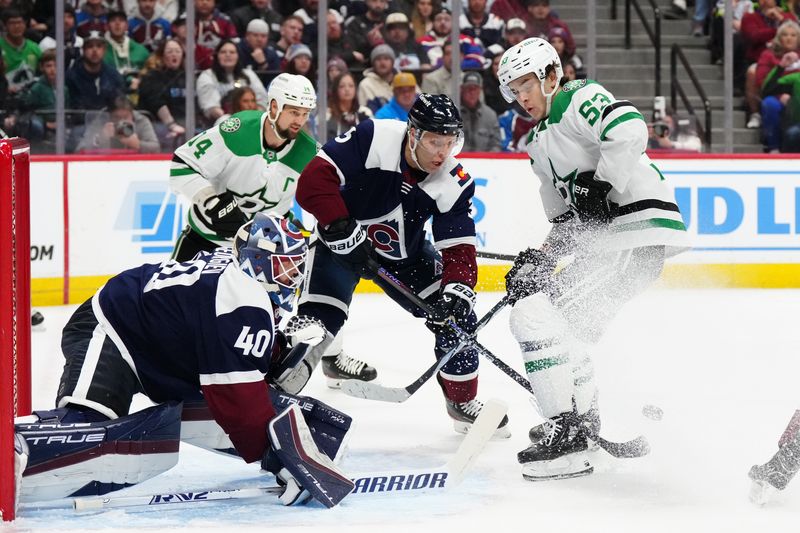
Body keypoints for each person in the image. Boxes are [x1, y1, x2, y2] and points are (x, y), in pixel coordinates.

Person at [14, 214, 354, 508]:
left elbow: (226, 354)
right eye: (283, 264)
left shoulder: (243, 282)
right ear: (257, 261)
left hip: (157, 350)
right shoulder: (243, 299)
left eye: (296, 264)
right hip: (109, 326)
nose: (292, 275)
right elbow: (237, 398)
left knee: (159, 429)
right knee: (88, 426)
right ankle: (14, 449)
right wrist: (275, 456)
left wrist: (276, 351)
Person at [496, 38, 689, 480]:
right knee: (559, 326)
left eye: (526, 83)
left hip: (634, 237)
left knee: (536, 317)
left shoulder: (575, 97)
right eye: (513, 89)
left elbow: (628, 128)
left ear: (550, 75)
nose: (521, 96)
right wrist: (542, 260)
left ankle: (569, 433)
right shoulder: (538, 145)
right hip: (613, 243)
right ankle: (579, 422)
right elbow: (572, 219)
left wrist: (599, 185)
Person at [287, 94, 510, 436]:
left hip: (406, 259)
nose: (443, 152)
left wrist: (457, 289)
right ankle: (271, 393)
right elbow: (313, 181)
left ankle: (461, 401)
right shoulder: (374, 137)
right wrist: (341, 225)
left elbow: (458, 244)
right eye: (436, 141)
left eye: (450, 142)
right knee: (313, 324)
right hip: (338, 248)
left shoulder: (453, 179)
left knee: (458, 319)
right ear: (414, 134)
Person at [169, 72, 317, 262]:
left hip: (258, 252)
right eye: (294, 112)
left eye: (305, 114)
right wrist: (211, 203)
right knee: (172, 292)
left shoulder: (309, 153)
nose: (300, 121)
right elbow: (181, 164)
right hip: (204, 241)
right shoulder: (238, 130)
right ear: (274, 107)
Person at [196, 39, 269, 125]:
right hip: (219, 123)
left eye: (232, 52)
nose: (228, 55)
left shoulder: (249, 74)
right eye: (223, 52)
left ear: (238, 56)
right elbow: (211, 108)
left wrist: (251, 120)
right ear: (216, 56)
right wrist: (232, 121)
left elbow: (262, 102)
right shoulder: (207, 75)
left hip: (250, 122)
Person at [137, 37, 187, 148]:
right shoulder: (152, 77)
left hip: (185, 123)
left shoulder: (188, 78)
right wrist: (171, 125)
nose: (174, 54)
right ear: (162, 56)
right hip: (158, 124)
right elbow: (157, 103)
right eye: (170, 51)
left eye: (177, 51)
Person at [76, 95, 160, 153]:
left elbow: (156, 148)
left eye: (126, 117)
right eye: (117, 118)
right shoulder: (101, 121)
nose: (121, 122)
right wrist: (100, 139)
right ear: (110, 116)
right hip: (106, 165)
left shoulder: (141, 121)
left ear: (132, 115)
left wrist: (138, 145)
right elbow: (80, 150)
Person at [459, 70, 501, 152]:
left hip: (484, 162)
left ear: (480, 90)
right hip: (458, 161)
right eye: (469, 88)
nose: (472, 92)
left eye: (475, 89)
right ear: (462, 89)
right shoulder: (453, 113)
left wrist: (486, 161)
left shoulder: (490, 115)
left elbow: (496, 145)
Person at [326, 71, 374, 139]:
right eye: (342, 86)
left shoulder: (365, 112)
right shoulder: (327, 114)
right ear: (335, 90)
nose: (347, 89)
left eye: (351, 86)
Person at [358, 44, 397, 113]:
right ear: (373, 63)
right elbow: (363, 112)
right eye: (378, 59)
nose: (382, 63)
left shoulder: (405, 80)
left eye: (386, 58)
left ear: (393, 62)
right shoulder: (365, 84)